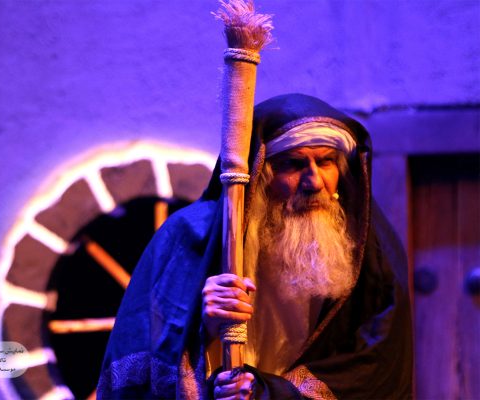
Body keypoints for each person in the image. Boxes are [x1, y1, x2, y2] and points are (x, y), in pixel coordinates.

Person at [97, 93, 412, 399]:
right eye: (293, 164)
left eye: (326, 161)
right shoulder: (190, 236)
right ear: (259, 171)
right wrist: (202, 328)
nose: (314, 181)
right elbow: (140, 364)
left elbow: (376, 366)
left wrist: (271, 393)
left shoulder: (363, 247)